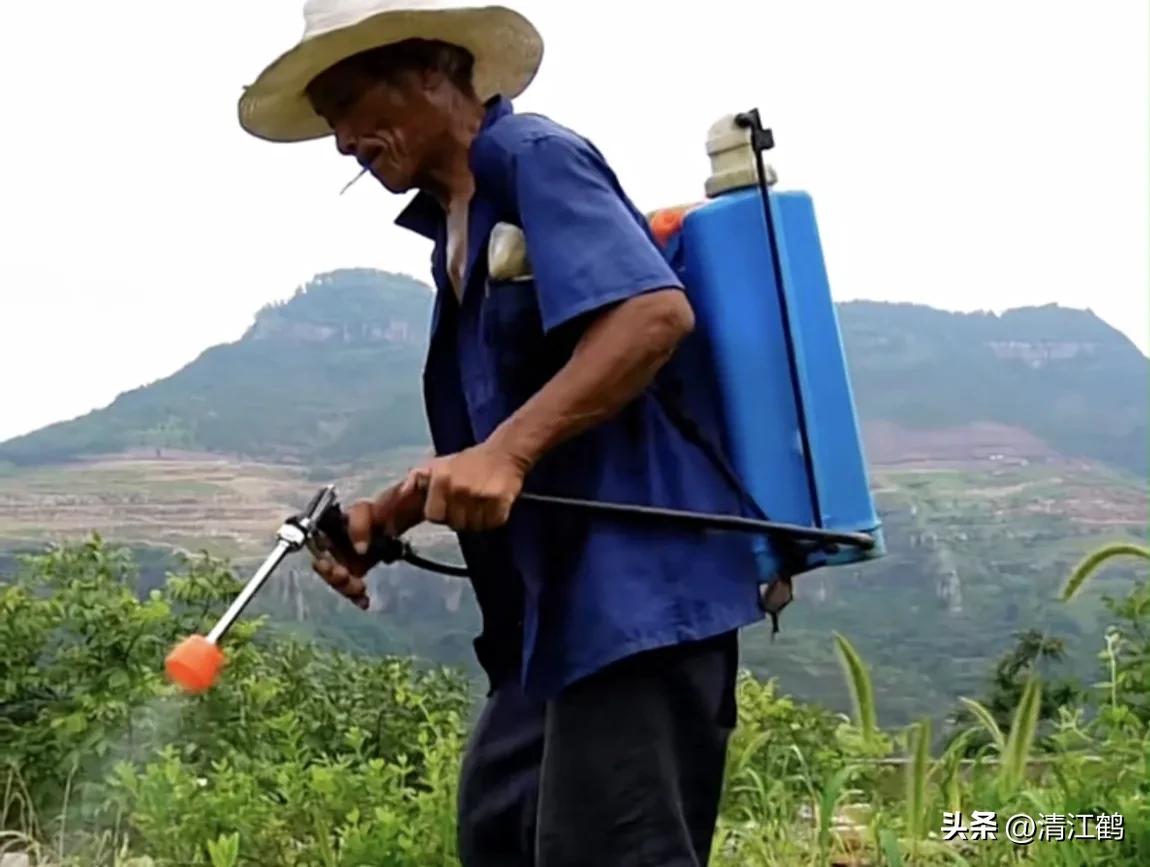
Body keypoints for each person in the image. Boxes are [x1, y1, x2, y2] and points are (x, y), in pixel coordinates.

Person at [238, 2, 770, 864]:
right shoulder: (456, 228)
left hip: (637, 602)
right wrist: (391, 513)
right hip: (543, 626)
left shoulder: (532, 156)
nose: (342, 142)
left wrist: (508, 452)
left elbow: (652, 315)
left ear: (433, 69)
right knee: (499, 832)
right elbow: (497, 434)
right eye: (330, 119)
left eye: (350, 102)